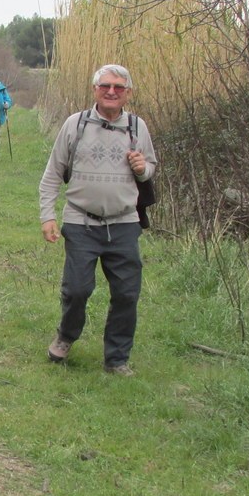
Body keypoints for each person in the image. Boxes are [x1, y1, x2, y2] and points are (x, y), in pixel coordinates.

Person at [38, 64, 157, 375]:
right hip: (81, 222)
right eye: (105, 86)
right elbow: (52, 174)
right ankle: (66, 336)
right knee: (77, 289)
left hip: (124, 223)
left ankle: (117, 359)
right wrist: (47, 215)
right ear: (95, 90)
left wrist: (142, 167)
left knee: (127, 294)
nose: (111, 92)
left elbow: (150, 168)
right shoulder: (75, 125)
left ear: (128, 93)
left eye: (119, 87)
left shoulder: (137, 127)